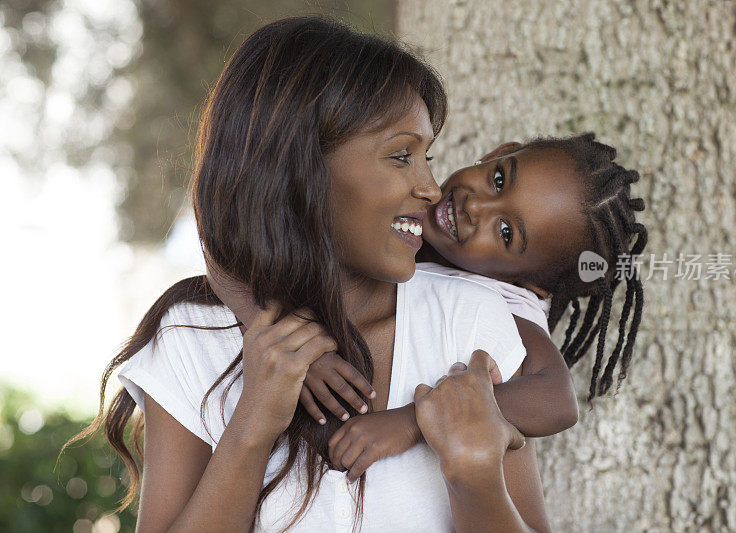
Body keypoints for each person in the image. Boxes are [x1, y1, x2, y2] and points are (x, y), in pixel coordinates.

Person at [62, 15, 551, 532]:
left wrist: (475, 475)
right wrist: (251, 425)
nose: (431, 187)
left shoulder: (468, 324)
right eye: (402, 156)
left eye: (427, 156)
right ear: (301, 168)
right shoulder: (193, 337)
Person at [206, 132, 648, 481]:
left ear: (530, 283)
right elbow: (223, 258)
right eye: (499, 179)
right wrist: (290, 341)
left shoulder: (505, 305)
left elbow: (558, 401)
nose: (476, 206)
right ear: (500, 151)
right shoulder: (412, 208)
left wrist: (413, 421)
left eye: (507, 232)